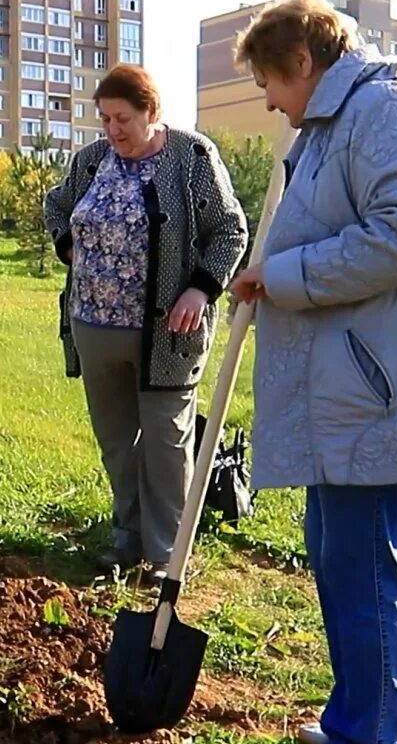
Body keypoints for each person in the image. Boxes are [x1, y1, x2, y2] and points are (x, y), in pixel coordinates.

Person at [226, 0, 397, 744]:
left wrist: (291, 275)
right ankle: (384, 732)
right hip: (354, 388)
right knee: (345, 561)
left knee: (364, 570)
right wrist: (275, 274)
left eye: (271, 81)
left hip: (380, 391)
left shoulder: (382, 110)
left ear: (302, 60)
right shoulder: (340, 119)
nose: (269, 100)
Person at [43, 64, 248, 572]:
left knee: (166, 442)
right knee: (117, 440)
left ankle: (166, 554)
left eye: (124, 119)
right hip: (94, 324)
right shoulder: (91, 160)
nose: (113, 131)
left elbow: (230, 230)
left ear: (152, 113)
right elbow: (55, 206)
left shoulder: (191, 156)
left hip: (166, 335)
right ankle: (126, 535)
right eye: (106, 119)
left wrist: (201, 289)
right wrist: (69, 245)